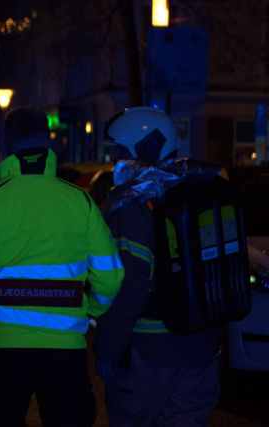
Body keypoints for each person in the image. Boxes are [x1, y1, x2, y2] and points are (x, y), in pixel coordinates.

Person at [0, 108, 124, 427]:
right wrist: (91, 311)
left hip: (3, 349)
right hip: (66, 351)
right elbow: (110, 276)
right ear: (48, 142)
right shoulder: (79, 201)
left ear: (8, 144)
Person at [93, 107, 221, 426]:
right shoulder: (201, 190)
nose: (115, 161)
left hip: (148, 357)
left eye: (121, 152)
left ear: (144, 149)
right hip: (200, 351)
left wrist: (107, 348)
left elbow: (128, 291)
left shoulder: (133, 207)